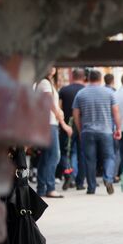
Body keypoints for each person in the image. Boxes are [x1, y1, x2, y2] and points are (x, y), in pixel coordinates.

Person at [72, 69, 121, 195]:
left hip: (87, 131)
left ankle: (91, 187)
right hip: (106, 131)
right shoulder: (109, 93)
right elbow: (116, 112)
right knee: (109, 156)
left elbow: (76, 114)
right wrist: (118, 128)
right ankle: (107, 178)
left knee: (89, 159)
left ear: (88, 79)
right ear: (100, 79)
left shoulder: (80, 93)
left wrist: (80, 130)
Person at [35, 67, 71, 198]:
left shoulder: (44, 82)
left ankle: (41, 188)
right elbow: (48, 101)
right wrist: (59, 116)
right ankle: (50, 187)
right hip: (49, 123)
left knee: (46, 156)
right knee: (54, 155)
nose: (53, 68)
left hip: (46, 122)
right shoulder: (44, 83)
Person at [57, 68, 86, 191]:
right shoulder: (85, 91)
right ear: (83, 77)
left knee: (65, 153)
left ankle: (68, 174)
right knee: (81, 154)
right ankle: (80, 183)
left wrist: (61, 123)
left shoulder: (64, 90)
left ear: (72, 77)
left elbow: (59, 108)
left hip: (67, 125)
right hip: (82, 125)